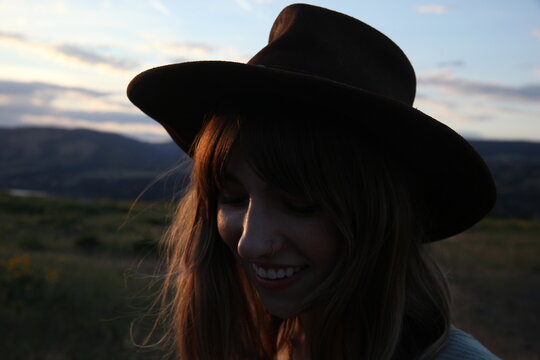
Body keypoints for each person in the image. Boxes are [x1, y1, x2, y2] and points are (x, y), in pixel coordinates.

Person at [127, 3, 500, 360]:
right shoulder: (265, 346)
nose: (251, 243)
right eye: (233, 197)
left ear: (381, 215)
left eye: (300, 203)